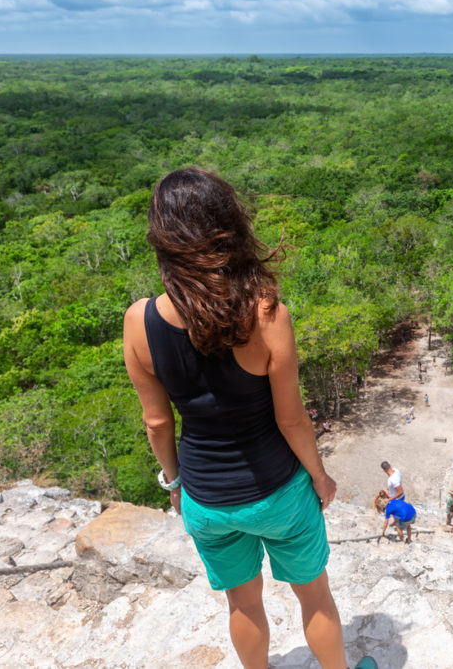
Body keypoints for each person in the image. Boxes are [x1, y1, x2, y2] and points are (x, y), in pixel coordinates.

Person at [123, 168, 351, 669]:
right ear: (229, 227)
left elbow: (157, 423)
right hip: (278, 491)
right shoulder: (266, 314)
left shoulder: (139, 320)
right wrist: (319, 475)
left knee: (243, 604)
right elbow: (291, 420)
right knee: (314, 597)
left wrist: (176, 484)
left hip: (206, 497)